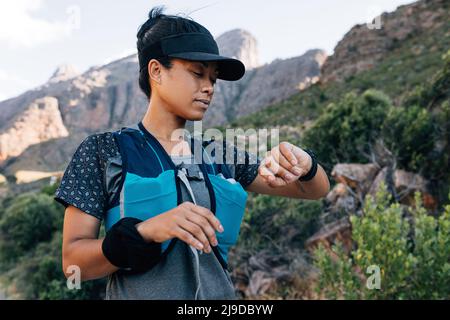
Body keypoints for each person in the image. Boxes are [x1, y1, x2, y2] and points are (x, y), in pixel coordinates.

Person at [54, 6, 330, 300]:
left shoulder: (219, 154)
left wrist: (307, 165)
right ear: (157, 71)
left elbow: (312, 190)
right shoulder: (104, 151)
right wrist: (146, 231)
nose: (209, 88)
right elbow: (74, 264)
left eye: (212, 78)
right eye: (198, 73)